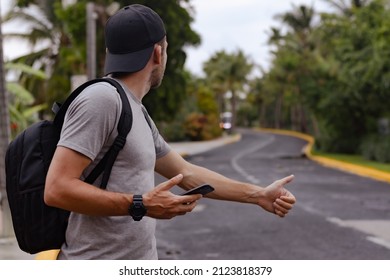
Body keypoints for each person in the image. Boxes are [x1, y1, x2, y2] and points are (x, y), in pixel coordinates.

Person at [44, 4, 296, 260]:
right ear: (158, 52)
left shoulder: (135, 110)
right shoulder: (102, 99)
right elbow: (56, 188)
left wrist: (259, 195)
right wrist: (140, 204)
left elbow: (186, 173)